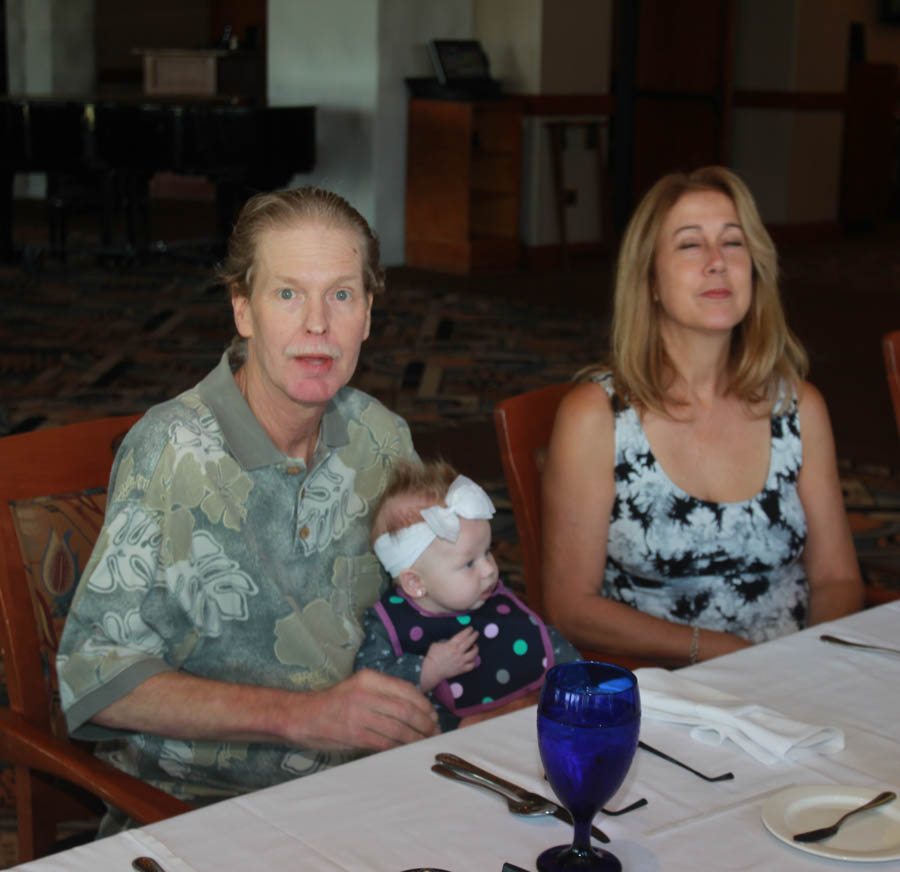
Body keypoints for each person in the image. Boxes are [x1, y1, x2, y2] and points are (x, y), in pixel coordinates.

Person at [55, 187, 439, 831]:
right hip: (200, 814)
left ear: (368, 315)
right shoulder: (173, 451)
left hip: (366, 792)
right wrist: (300, 715)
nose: (317, 324)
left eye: (341, 294)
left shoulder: (382, 437)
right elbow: (95, 677)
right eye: (287, 293)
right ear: (243, 310)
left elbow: (426, 599)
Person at [542, 166, 863, 668]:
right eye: (690, 245)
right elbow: (570, 608)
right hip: (666, 688)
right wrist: (721, 653)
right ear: (648, 278)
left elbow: (838, 579)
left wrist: (811, 666)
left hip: (797, 679)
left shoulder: (798, 406)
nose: (717, 263)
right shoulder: (597, 417)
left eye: (733, 243)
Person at [354, 459, 580, 731]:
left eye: (487, 551)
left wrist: (581, 685)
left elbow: (546, 641)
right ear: (415, 583)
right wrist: (428, 670)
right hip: (447, 747)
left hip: (531, 727)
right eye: (469, 563)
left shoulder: (488, 596)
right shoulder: (390, 623)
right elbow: (369, 684)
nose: (489, 570)